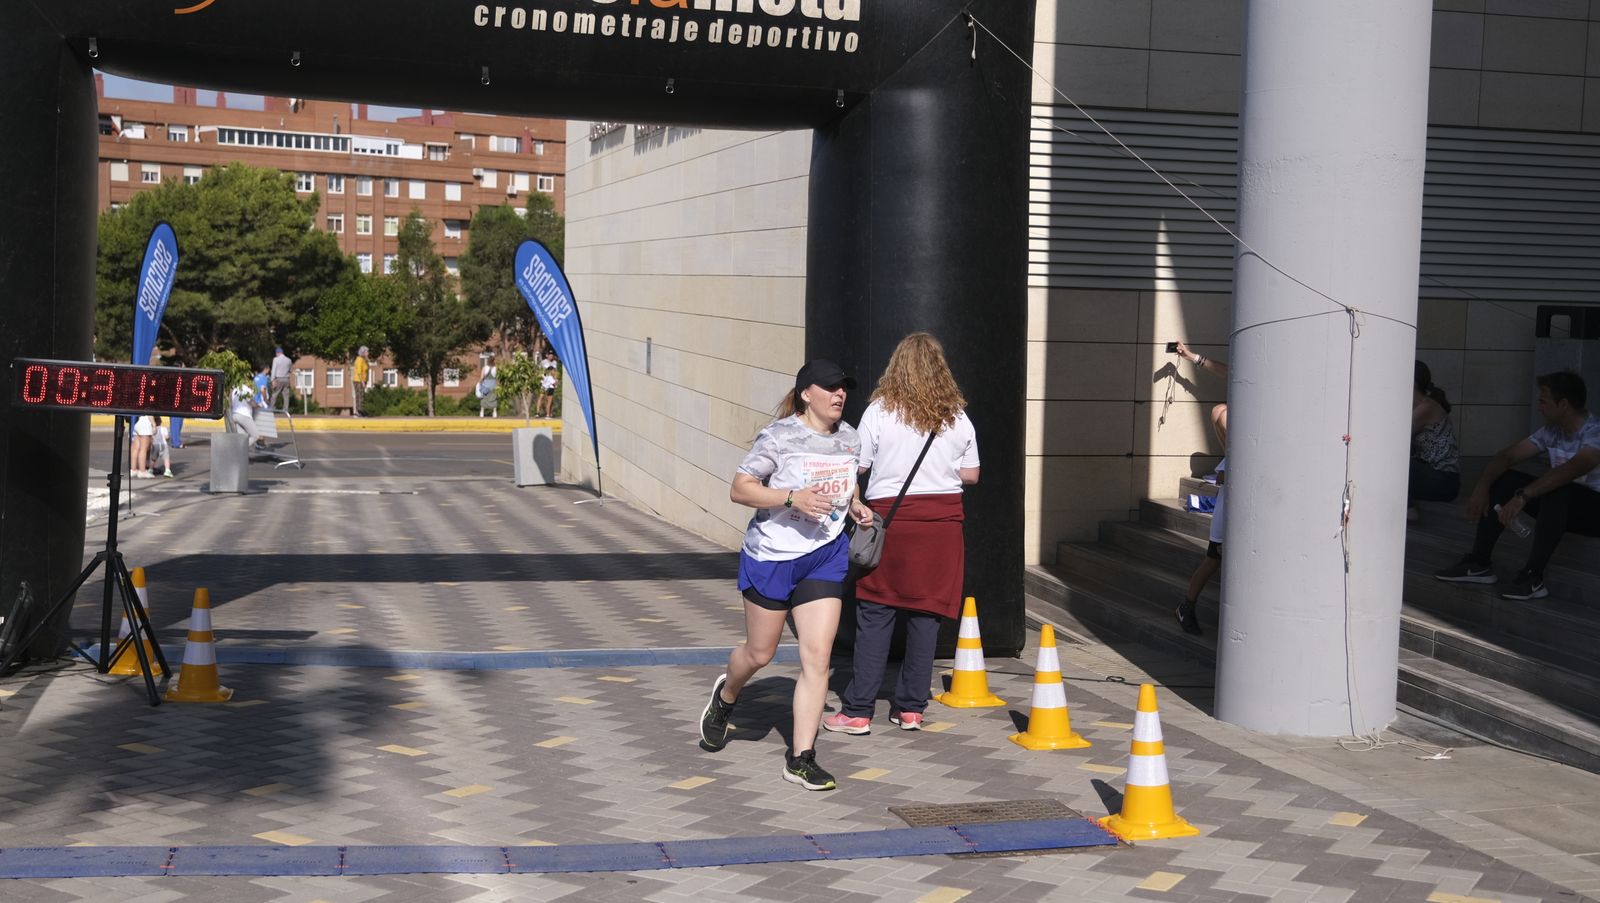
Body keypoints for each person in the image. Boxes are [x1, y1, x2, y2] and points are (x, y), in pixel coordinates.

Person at [699, 359, 874, 792]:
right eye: (830, 387)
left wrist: (854, 504)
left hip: (824, 555)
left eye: (844, 388)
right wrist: (791, 496)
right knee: (759, 654)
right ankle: (726, 697)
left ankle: (801, 758)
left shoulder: (850, 438)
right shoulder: (779, 437)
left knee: (818, 658)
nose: (839, 395)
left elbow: (847, 481)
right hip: (772, 555)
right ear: (805, 394)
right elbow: (741, 488)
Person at [821, 333, 978, 736]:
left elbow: (858, 466)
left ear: (897, 367)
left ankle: (857, 711)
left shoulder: (879, 412)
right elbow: (971, 474)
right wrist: (942, 470)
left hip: (890, 523)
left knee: (876, 614)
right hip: (942, 528)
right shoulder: (957, 417)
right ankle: (910, 709)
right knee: (927, 617)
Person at [1435, 371, 1600, 600]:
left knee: (1558, 487)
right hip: (1562, 506)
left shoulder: (1595, 432)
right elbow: (1507, 456)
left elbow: (1572, 469)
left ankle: (1533, 577)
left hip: (1593, 511)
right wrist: (1482, 486)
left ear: (1563, 404)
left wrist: (1524, 496)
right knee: (1505, 479)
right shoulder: (1552, 431)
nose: (1539, 407)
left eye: (1543, 401)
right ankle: (1479, 563)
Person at [1172, 340, 1230, 636]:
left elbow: (1223, 370)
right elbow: (1224, 371)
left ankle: (1189, 606)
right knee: (1214, 558)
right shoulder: (1227, 416)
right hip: (1230, 502)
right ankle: (1187, 606)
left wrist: (1191, 356)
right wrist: (1191, 356)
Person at [1409, 360, 1460, 521]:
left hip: (1444, 481)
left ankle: (1409, 511)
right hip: (1433, 474)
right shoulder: (1420, 406)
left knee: (1398, 463)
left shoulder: (1426, 407)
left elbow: (1395, 440)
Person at [231, 381, 265, 447]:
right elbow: (251, 402)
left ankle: (239, 452)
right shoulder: (247, 389)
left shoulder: (235, 390)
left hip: (234, 415)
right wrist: (259, 405)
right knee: (256, 436)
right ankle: (241, 449)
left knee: (243, 437)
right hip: (244, 415)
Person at [130, 414, 155, 479]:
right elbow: (150, 413)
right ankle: (142, 471)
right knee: (143, 449)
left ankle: (133, 469)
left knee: (135, 448)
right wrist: (154, 424)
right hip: (146, 424)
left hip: (138, 423)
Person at [268, 347, 292, 411]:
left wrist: (272, 380)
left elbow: (273, 370)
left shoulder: (275, 359)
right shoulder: (289, 360)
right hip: (286, 379)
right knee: (286, 396)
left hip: (278, 379)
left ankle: (272, 408)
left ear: (278, 353)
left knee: (274, 394)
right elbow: (290, 370)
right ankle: (285, 409)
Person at [538, 349, 558, 419]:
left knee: (550, 399)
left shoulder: (555, 363)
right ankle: (537, 413)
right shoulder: (544, 362)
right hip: (544, 383)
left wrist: (556, 380)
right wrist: (540, 377)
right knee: (541, 397)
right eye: (549, 355)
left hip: (551, 384)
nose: (551, 356)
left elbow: (555, 372)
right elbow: (540, 370)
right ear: (547, 355)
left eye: (552, 355)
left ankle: (548, 414)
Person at [352, 346, 371, 417]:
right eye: (367, 352)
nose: (368, 353)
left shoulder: (364, 360)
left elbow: (366, 370)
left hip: (362, 380)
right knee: (360, 396)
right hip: (359, 380)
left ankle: (359, 410)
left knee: (361, 395)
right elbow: (359, 372)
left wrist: (367, 360)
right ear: (363, 352)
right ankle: (359, 411)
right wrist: (362, 382)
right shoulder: (359, 359)